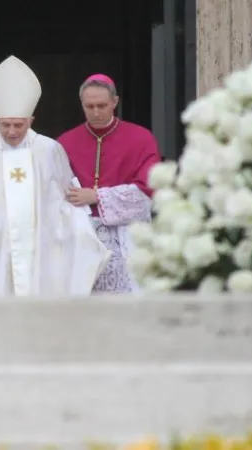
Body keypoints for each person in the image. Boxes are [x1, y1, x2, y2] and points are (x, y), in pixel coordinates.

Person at [0, 55, 110, 296]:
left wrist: (78, 233)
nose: (11, 132)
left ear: (31, 120)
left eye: (19, 125)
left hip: (41, 252)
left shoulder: (49, 150)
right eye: (5, 125)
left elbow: (67, 202)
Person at [57, 74, 161, 293]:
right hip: (81, 240)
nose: (96, 112)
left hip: (127, 240)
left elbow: (148, 191)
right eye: (89, 106)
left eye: (102, 105)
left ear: (115, 102)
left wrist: (97, 196)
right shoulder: (64, 142)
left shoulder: (141, 139)